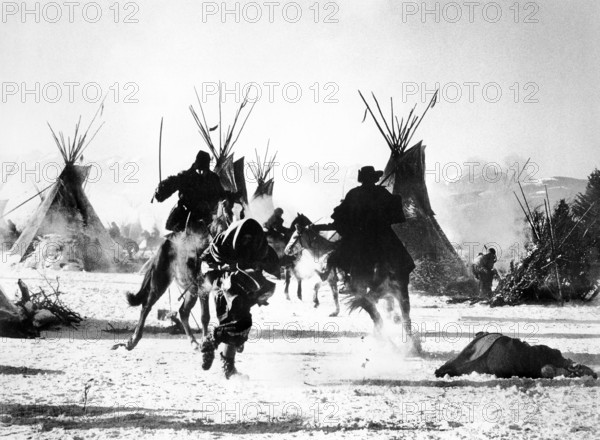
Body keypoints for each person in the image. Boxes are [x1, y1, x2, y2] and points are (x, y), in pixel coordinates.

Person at [199, 218, 279, 379]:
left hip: (245, 291)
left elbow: (272, 277)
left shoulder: (263, 250)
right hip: (223, 287)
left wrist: (260, 292)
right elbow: (205, 264)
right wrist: (222, 269)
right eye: (244, 237)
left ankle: (226, 362)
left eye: (250, 238)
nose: (246, 241)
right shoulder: (221, 243)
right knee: (241, 323)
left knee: (240, 327)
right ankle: (215, 340)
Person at [313, 165, 415, 283]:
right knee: (402, 261)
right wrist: (396, 198)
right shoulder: (382, 192)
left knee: (336, 257)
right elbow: (395, 213)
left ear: (362, 178)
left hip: (359, 237)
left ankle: (343, 278)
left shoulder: (353, 193)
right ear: (374, 179)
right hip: (382, 235)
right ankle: (397, 280)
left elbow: (341, 217)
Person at [435, 332, 597, 379]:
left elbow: (457, 363)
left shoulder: (473, 351)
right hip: (507, 351)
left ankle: (560, 369)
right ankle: (566, 366)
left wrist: (444, 370)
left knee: (530, 363)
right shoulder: (487, 339)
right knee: (537, 354)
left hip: (499, 365)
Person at [154, 150, 233, 233]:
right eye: (199, 170)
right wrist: (162, 191)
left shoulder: (213, 179)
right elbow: (172, 183)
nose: (201, 172)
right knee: (175, 242)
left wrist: (231, 197)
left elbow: (222, 194)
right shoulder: (186, 177)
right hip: (183, 217)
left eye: (204, 170)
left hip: (205, 218)